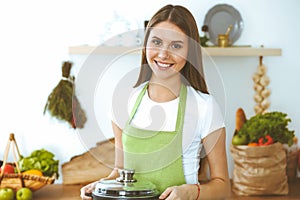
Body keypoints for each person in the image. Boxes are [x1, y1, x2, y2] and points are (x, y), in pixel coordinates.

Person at [80, 4, 230, 200]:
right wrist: (101, 187)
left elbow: (223, 187)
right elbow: (120, 172)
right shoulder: (123, 101)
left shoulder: (204, 106)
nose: (163, 54)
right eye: (156, 42)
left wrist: (192, 191)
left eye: (176, 46)